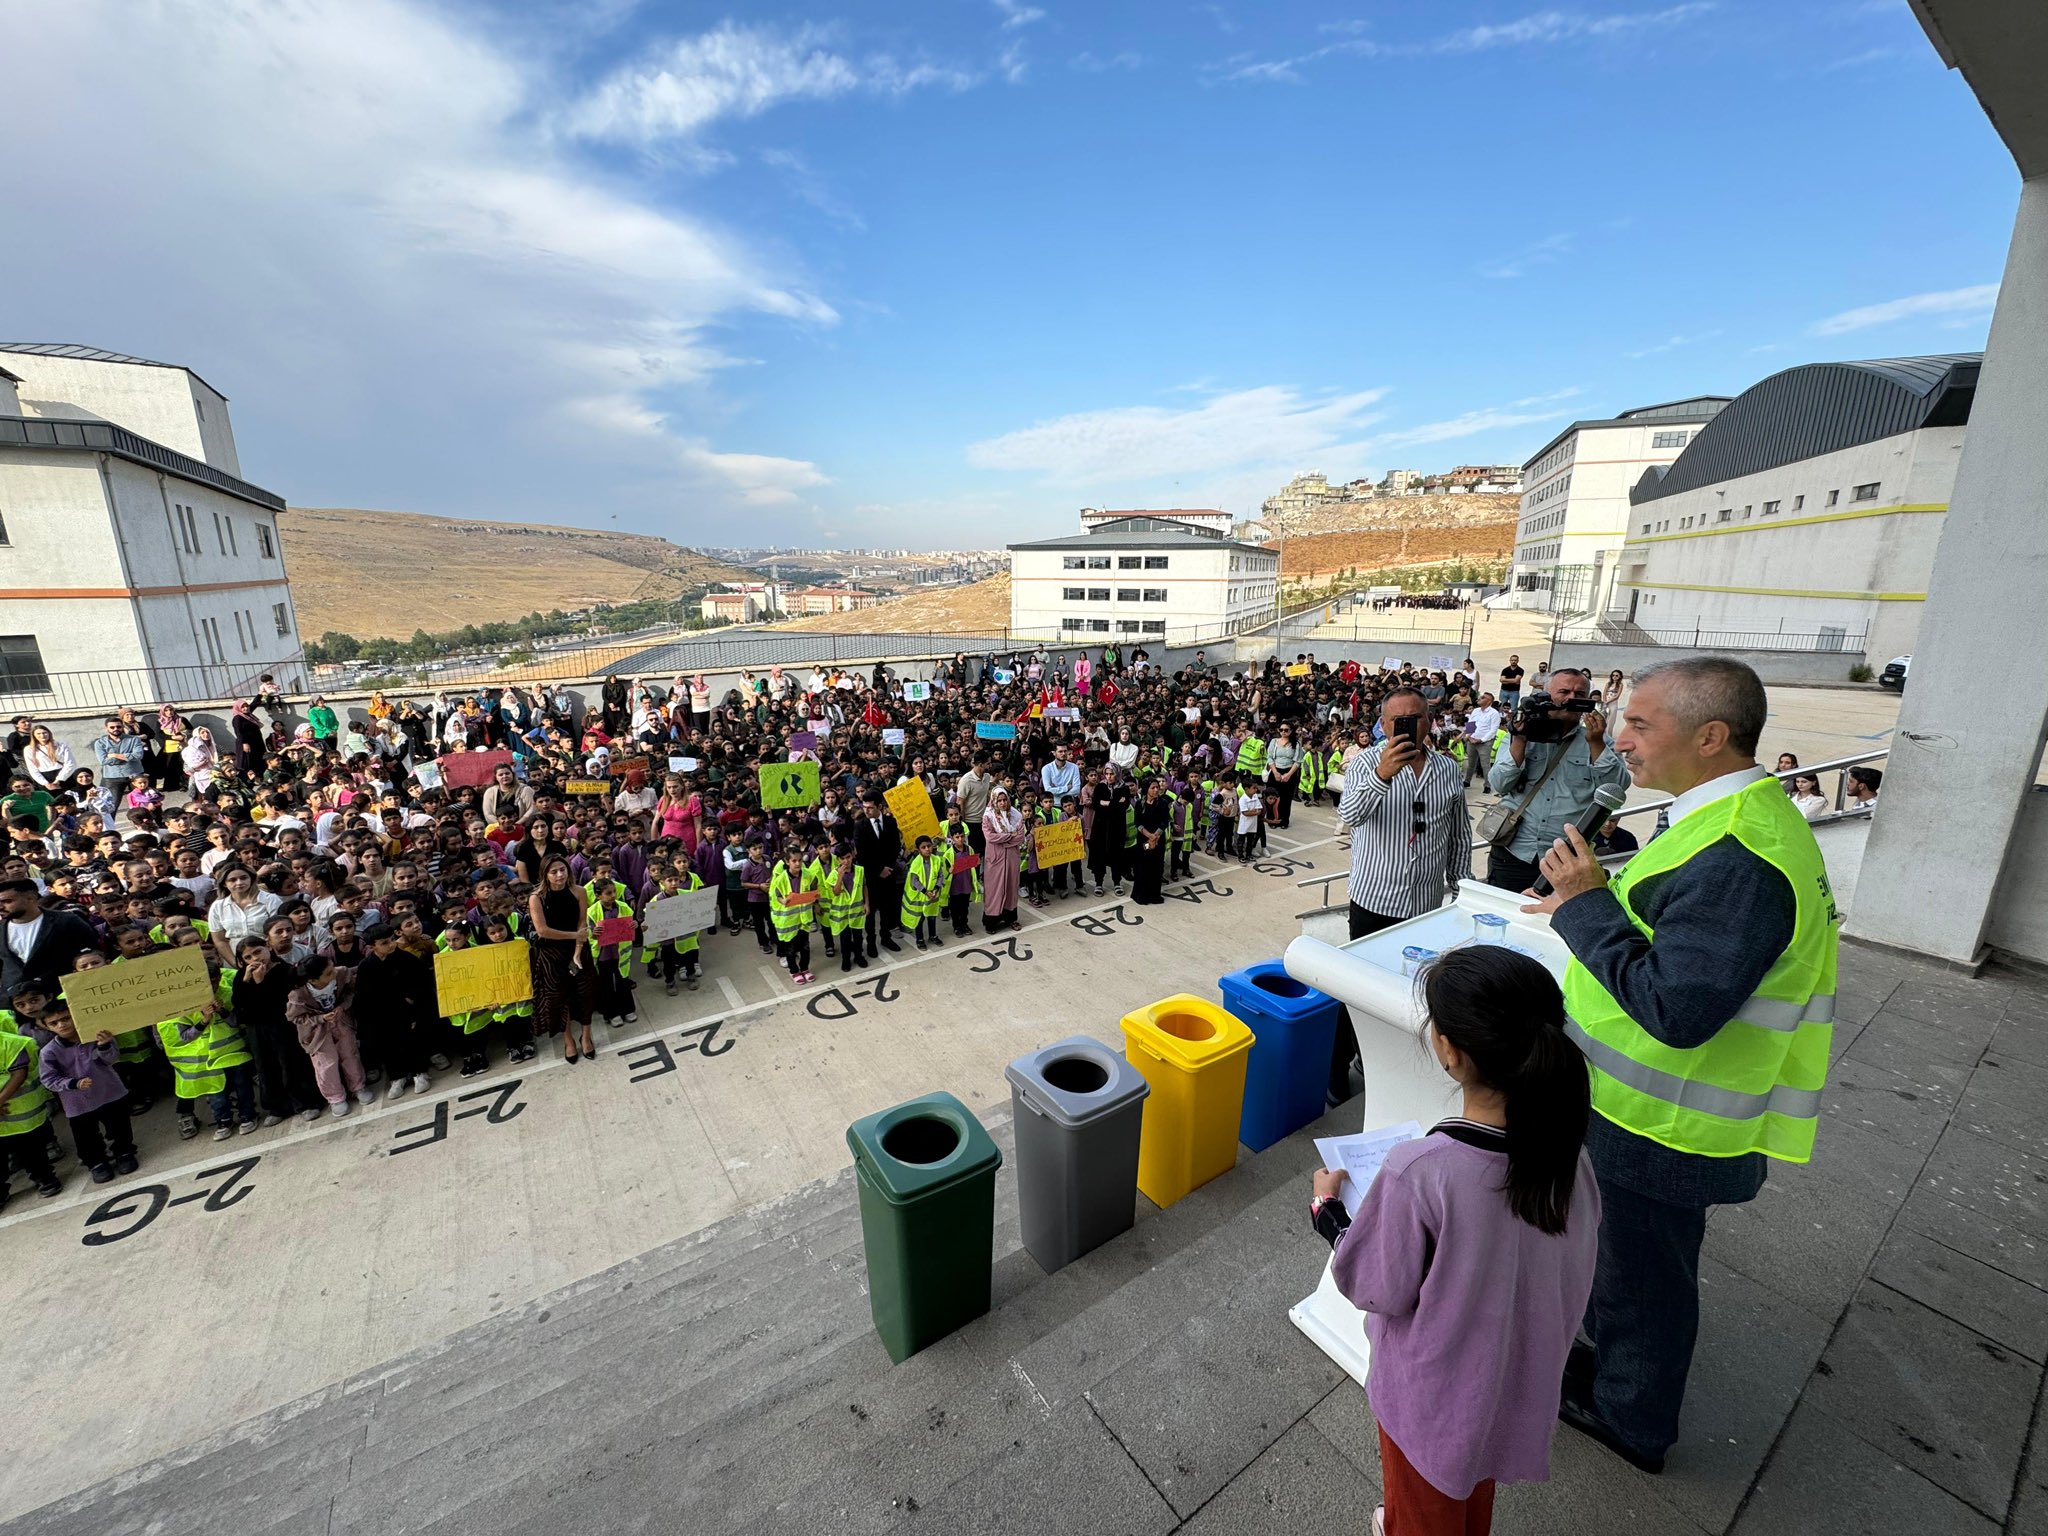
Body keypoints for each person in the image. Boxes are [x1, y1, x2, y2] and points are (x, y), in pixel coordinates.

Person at [1520, 656, 1840, 1475]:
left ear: (1710, 736)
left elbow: (1677, 1009)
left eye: (1639, 724)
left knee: (1646, 1279)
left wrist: (1587, 904)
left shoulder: (1741, 857)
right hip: (1641, 1110)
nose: (1617, 737)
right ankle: (1616, 1361)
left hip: (1661, 1123)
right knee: (1628, 1265)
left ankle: (1631, 1416)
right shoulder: (1730, 818)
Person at [1312, 947, 1599, 1536]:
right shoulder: (1570, 1153)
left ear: (1450, 1052)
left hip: (1435, 1403)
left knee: (1425, 1505)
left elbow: (1375, 1285)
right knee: (1471, 1485)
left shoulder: (1420, 1170)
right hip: (1510, 1382)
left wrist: (1329, 1214)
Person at [1331, 688, 1472, 1103]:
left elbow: (1458, 834)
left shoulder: (1447, 769)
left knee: (1413, 993)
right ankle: (1337, 1068)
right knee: (1357, 992)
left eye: (1415, 718)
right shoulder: (1364, 764)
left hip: (1425, 908)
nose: (1406, 726)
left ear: (1429, 721)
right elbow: (1349, 815)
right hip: (1374, 902)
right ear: (1383, 724)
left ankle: (1379, 1060)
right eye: (1397, 721)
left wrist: (1463, 888)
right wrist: (1382, 776)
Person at [1483, 669, 1631, 894]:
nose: (1571, 698)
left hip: (1565, 859)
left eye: (1579, 693)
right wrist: (1520, 742)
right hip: (1514, 852)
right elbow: (1499, 784)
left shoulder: (1599, 740)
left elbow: (1616, 789)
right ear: (1546, 695)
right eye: (1563, 691)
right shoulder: (1522, 733)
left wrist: (1596, 744)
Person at [36, 1004, 140, 1183]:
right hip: (78, 1103)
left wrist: (105, 1045)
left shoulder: (97, 1035)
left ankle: (124, 1152)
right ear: (47, 1026)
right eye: (54, 1023)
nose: (61, 1025)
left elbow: (112, 1059)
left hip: (110, 1092)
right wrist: (72, 1083)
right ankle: (97, 1163)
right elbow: (48, 1079)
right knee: (86, 1136)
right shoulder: (49, 1052)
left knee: (119, 1126)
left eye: (65, 1019)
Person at [528, 857, 594, 1063]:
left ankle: (586, 1035)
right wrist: (575, 936)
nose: (560, 875)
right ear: (545, 875)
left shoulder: (579, 891)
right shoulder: (536, 898)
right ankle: (568, 1041)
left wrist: (578, 949)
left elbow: (582, 922)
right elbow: (542, 931)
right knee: (559, 998)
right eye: (554, 871)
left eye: (562, 870)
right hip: (551, 954)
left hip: (578, 949)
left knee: (584, 993)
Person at [980, 787, 1026, 931]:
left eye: (1004, 800)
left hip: (1012, 857)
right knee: (995, 889)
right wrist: (1009, 836)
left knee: (1011, 887)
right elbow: (990, 837)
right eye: (999, 800)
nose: (1002, 803)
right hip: (995, 858)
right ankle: (991, 922)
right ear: (994, 801)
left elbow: (1020, 837)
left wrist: (1004, 840)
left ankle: (1010, 918)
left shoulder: (1016, 815)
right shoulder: (988, 817)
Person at [1130, 778, 1169, 904]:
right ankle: (1142, 895)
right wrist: (1149, 836)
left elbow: (1165, 821)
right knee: (1143, 866)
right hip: (1144, 840)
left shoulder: (1162, 803)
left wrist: (1155, 836)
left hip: (1158, 839)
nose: (1156, 790)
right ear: (1146, 789)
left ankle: (1154, 895)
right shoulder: (1139, 804)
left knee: (1157, 866)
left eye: (1157, 787)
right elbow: (1137, 822)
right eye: (1153, 788)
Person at [1463, 693, 1501, 789]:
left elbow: (1493, 730)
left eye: (1483, 698)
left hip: (1485, 742)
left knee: (1485, 764)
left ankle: (1487, 785)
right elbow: (1470, 724)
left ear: (1489, 701)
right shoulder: (1475, 711)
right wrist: (1469, 736)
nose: (1479, 698)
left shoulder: (1494, 713)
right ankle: (1467, 781)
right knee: (1471, 763)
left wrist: (1481, 740)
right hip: (1472, 740)